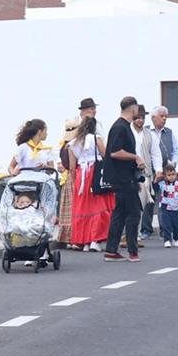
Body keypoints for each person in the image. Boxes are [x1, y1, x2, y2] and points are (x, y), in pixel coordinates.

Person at [102, 96, 145, 261]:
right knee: (134, 212)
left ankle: (111, 250)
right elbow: (114, 152)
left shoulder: (123, 126)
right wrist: (135, 157)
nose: (138, 113)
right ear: (133, 109)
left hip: (124, 176)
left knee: (120, 212)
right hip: (123, 178)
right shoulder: (120, 127)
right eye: (137, 110)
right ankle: (133, 252)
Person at [63, 100, 109, 250]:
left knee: (83, 209)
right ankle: (95, 239)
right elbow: (105, 155)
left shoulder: (74, 142)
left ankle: (84, 241)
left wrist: (76, 179)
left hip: (81, 175)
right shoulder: (96, 139)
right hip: (95, 173)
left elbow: (71, 166)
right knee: (98, 207)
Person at [138, 107, 177, 238]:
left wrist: (173, 163)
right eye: (162, 116)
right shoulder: (146, 131)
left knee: (164, 201)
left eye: (166, 116)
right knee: (148, 201)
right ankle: (145, 230)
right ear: (153, 118)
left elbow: (175, 151)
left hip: (165, 173)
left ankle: (164, 230)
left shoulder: (169, 133)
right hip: (149, 171)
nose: (165, 118)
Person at [157, 167, 178, 247]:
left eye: (173, 174)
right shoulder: (162, 184)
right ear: (165, 176)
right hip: (165, 208)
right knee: (166, 225)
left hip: (176, 208)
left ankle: (176, 238)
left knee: (176, 226)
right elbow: (155, 187)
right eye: (169, 175)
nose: (171, 176)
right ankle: (167, 240)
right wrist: (156, 179)